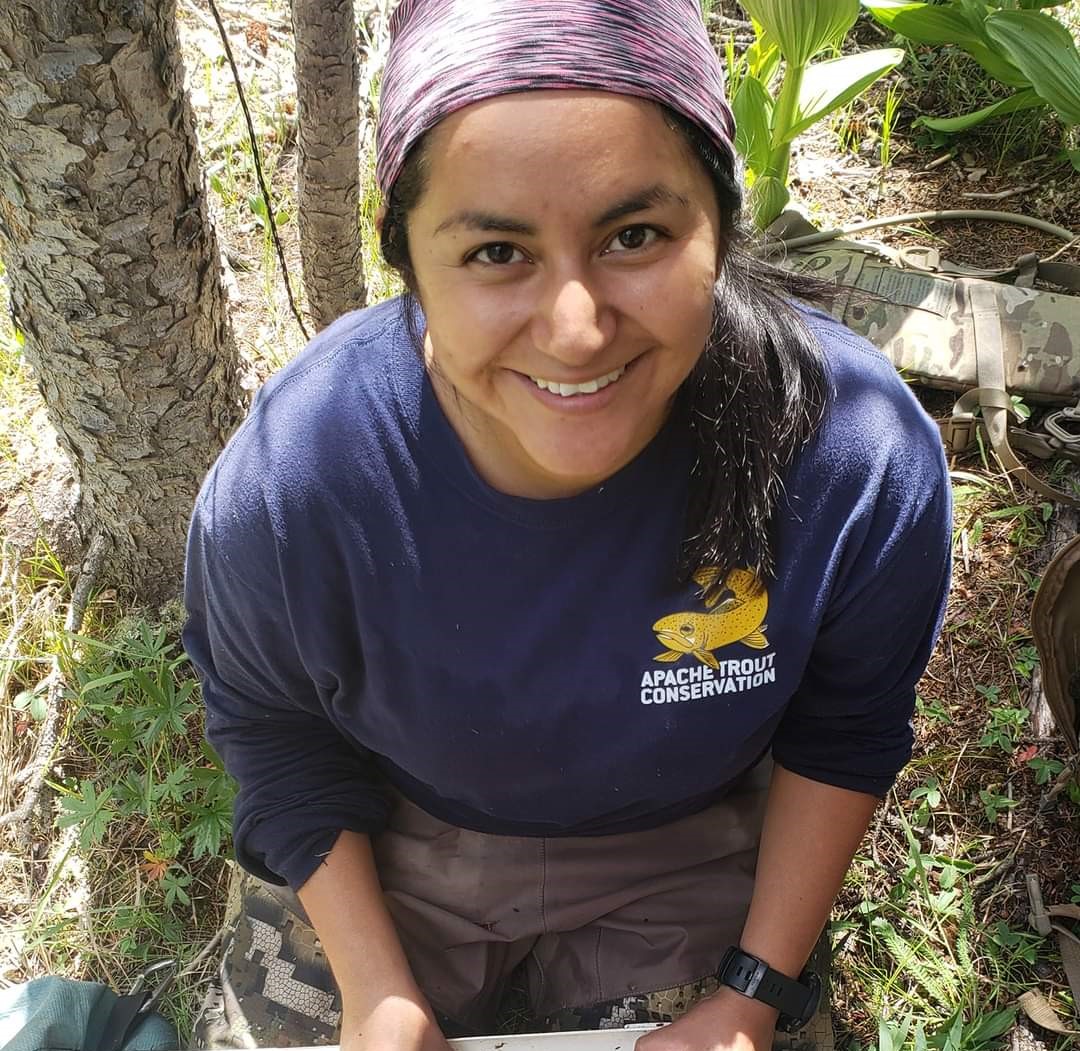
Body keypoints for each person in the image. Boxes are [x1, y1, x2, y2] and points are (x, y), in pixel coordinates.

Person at [182, 1, 952, 1049]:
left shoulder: (846, 456)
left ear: (718, 226)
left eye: (635, 235)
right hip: (400, 835)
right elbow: (273, 733)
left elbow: (847, 728)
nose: (578, 330)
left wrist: (751, 993)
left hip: (690, 845)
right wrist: (376, 991)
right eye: (498, 251)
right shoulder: (300, 479)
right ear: (407, 258)